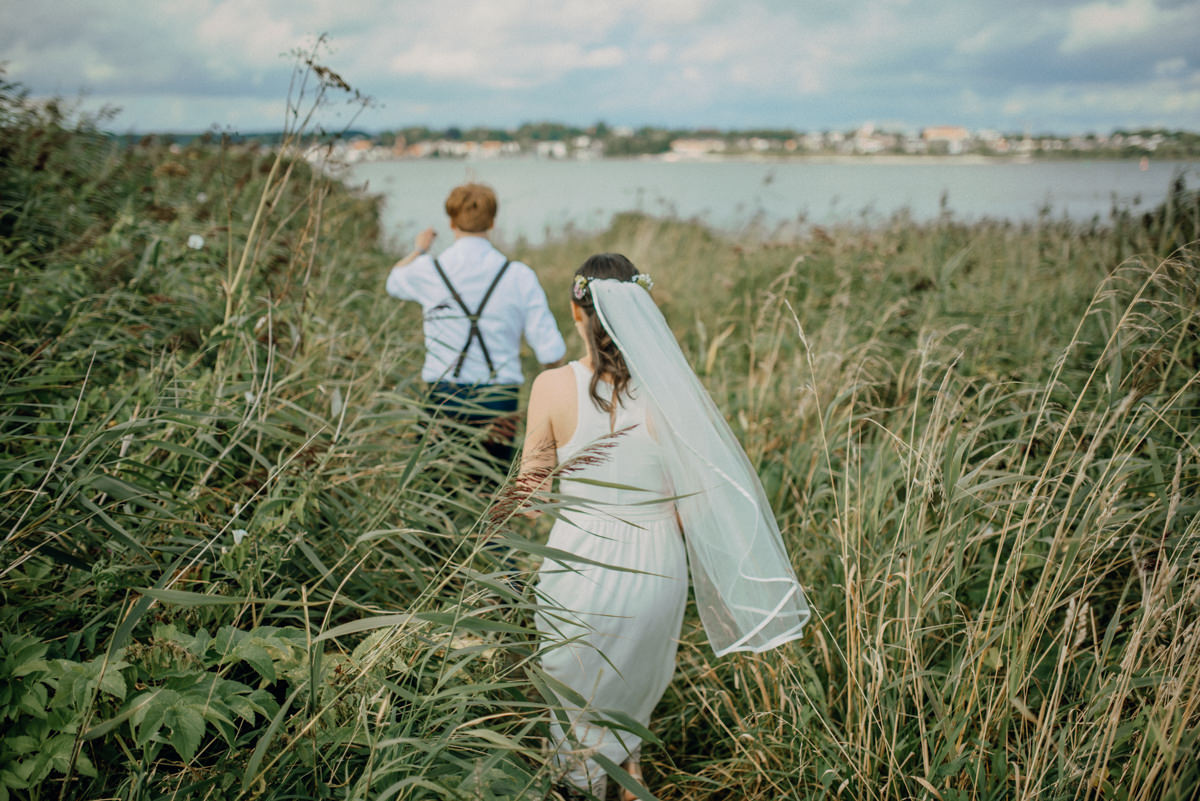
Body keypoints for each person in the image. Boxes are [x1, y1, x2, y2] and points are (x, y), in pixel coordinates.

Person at [519, 254, 811, 799]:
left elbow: (530, 500)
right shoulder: (669, 391)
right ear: (640, 311)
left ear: (577, 312)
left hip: (579, 563)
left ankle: (586, 782)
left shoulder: (552, 387)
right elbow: (694, 503)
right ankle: (629, 768)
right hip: (656, 564)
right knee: (633, 682)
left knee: (576, 695)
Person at [386, 183, 566, 486]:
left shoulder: (429, 270)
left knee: (433, 493)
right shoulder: (519, 275)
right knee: (489, 493)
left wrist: (419, 249)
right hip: (499, 401)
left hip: (443, 398)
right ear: (493, 223)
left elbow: (394, 281)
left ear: (451, 223)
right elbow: (551, 352)